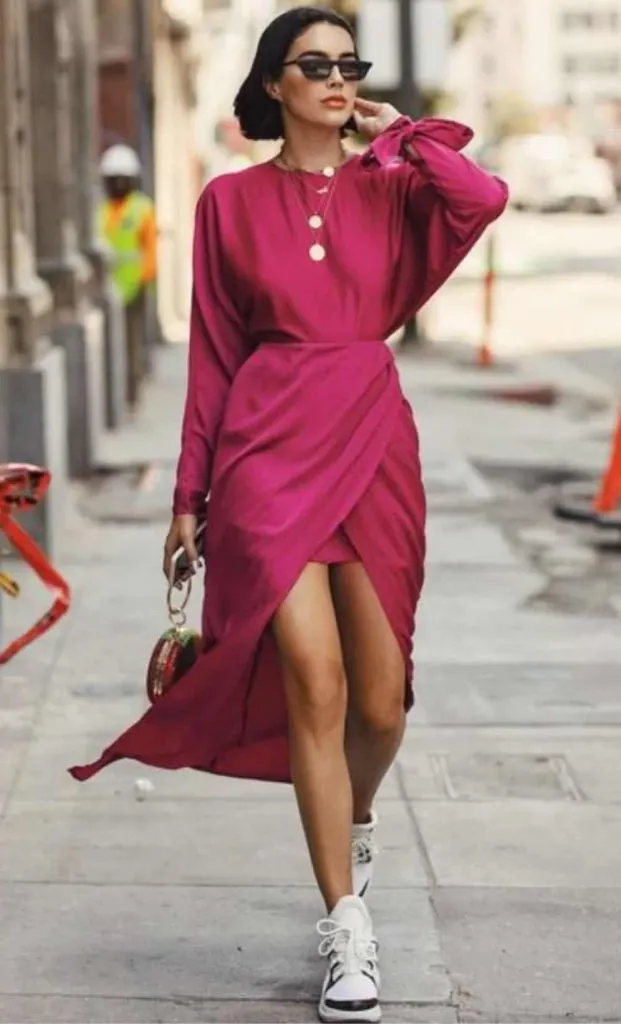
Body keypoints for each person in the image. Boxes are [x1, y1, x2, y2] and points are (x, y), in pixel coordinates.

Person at [72, 7, 507, 1021]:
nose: (336, 77)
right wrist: (189, 494)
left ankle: (350, 815)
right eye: (315, 64)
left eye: (348, 63)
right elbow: (213, 356)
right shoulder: (226, 203)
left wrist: (398, 130)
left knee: (383, 701)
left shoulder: (393, 187)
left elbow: (481, 194)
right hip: (264, 452)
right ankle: (345, 924)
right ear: (274, 81)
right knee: (315, 676)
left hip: (371, 443)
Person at [98, 144, 158, 407]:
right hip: (107, 289)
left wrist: (145, 277)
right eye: (114, 179)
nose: (118, 183)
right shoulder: (102, 210)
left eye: (123, 178)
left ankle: (131, 393)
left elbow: (150, 250)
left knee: (132, 343)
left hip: (135, 287)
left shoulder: (142, 208)